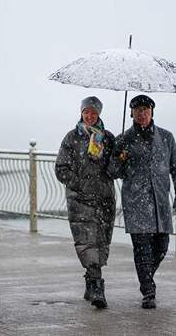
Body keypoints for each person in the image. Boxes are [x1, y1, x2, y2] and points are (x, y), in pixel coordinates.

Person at [108, 94, 176, 309]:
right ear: (131, 113)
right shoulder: (123, 139)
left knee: (161, 246)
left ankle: (145, 275)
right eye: (138, 110)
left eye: (146, 110)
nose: (142, 114)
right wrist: (119, 158)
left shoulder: (166, 137)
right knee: (142, 248)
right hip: (136, 201)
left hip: (160, 201)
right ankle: (148, 291)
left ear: (152, 112)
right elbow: (112, 172)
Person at [55, 96, 116, 309]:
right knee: (87, 241)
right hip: (80, 200)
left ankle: (91, 281)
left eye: (93, 112)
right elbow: (61, 169)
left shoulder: (108, 138)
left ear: (99, 114)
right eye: (86, 112)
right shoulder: (72, 138)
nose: (89, 116)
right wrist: (80, 184)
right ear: (81, 113)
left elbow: (115, 170)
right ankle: (98, 286)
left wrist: (120, 159)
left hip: (104, 200)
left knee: (101, 242)